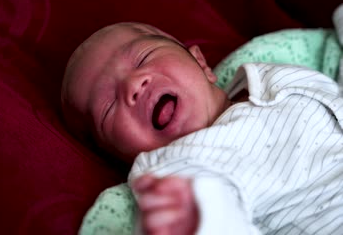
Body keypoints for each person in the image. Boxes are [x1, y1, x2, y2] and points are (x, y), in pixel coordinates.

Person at [61, 22, 343, 235]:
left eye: (143, 57)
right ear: (121, 156)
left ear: (200, 61)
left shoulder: (272, 74)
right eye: (108, 107)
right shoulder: (176, 170)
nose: (133, 85)